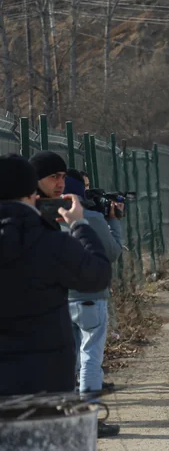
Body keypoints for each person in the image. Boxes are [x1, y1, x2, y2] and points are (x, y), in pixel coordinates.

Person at [0, 154, 112, 399]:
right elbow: (97, 275)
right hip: (46, 384)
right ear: (32, 193)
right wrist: (80, 226)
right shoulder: (50, 242)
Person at [64, 170, 122, 425]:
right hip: (91, 297)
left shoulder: (46, 217)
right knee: (91, 359)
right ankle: (89, 421)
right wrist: (114, 220)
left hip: (61, 298)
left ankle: (67, 418)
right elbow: (113, 252)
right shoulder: (92, 218)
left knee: (69, 360)